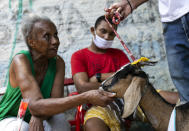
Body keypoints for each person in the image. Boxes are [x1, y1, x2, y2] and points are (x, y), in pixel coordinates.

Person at [0, 14, 116, 131]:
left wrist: (39, 116)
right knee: (21, 128)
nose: (55, 41)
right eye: (47, 36)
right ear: (32, 42)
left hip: (42, 113)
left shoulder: (58, 62)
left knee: (60, 123)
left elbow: (56, 102)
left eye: (55, 35)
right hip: (11, 117)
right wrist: (86, 97)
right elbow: (35, 105)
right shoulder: (20, 60)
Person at [105, 0, 189, 103]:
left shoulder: (119, 55)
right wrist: (131, 3)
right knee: (181, 79)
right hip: (172, 19)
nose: (106, 37)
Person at [71, 15, 130, 131]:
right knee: (93, 125)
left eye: (112, 34)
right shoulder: (79, 56)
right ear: (93, 30)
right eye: (103, 31)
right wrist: (118, 80)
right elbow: (82, 87)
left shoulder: (119, 54)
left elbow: (130, 80)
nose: (107, 37)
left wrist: (99, 77)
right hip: (97, 106)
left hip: (128, 101)